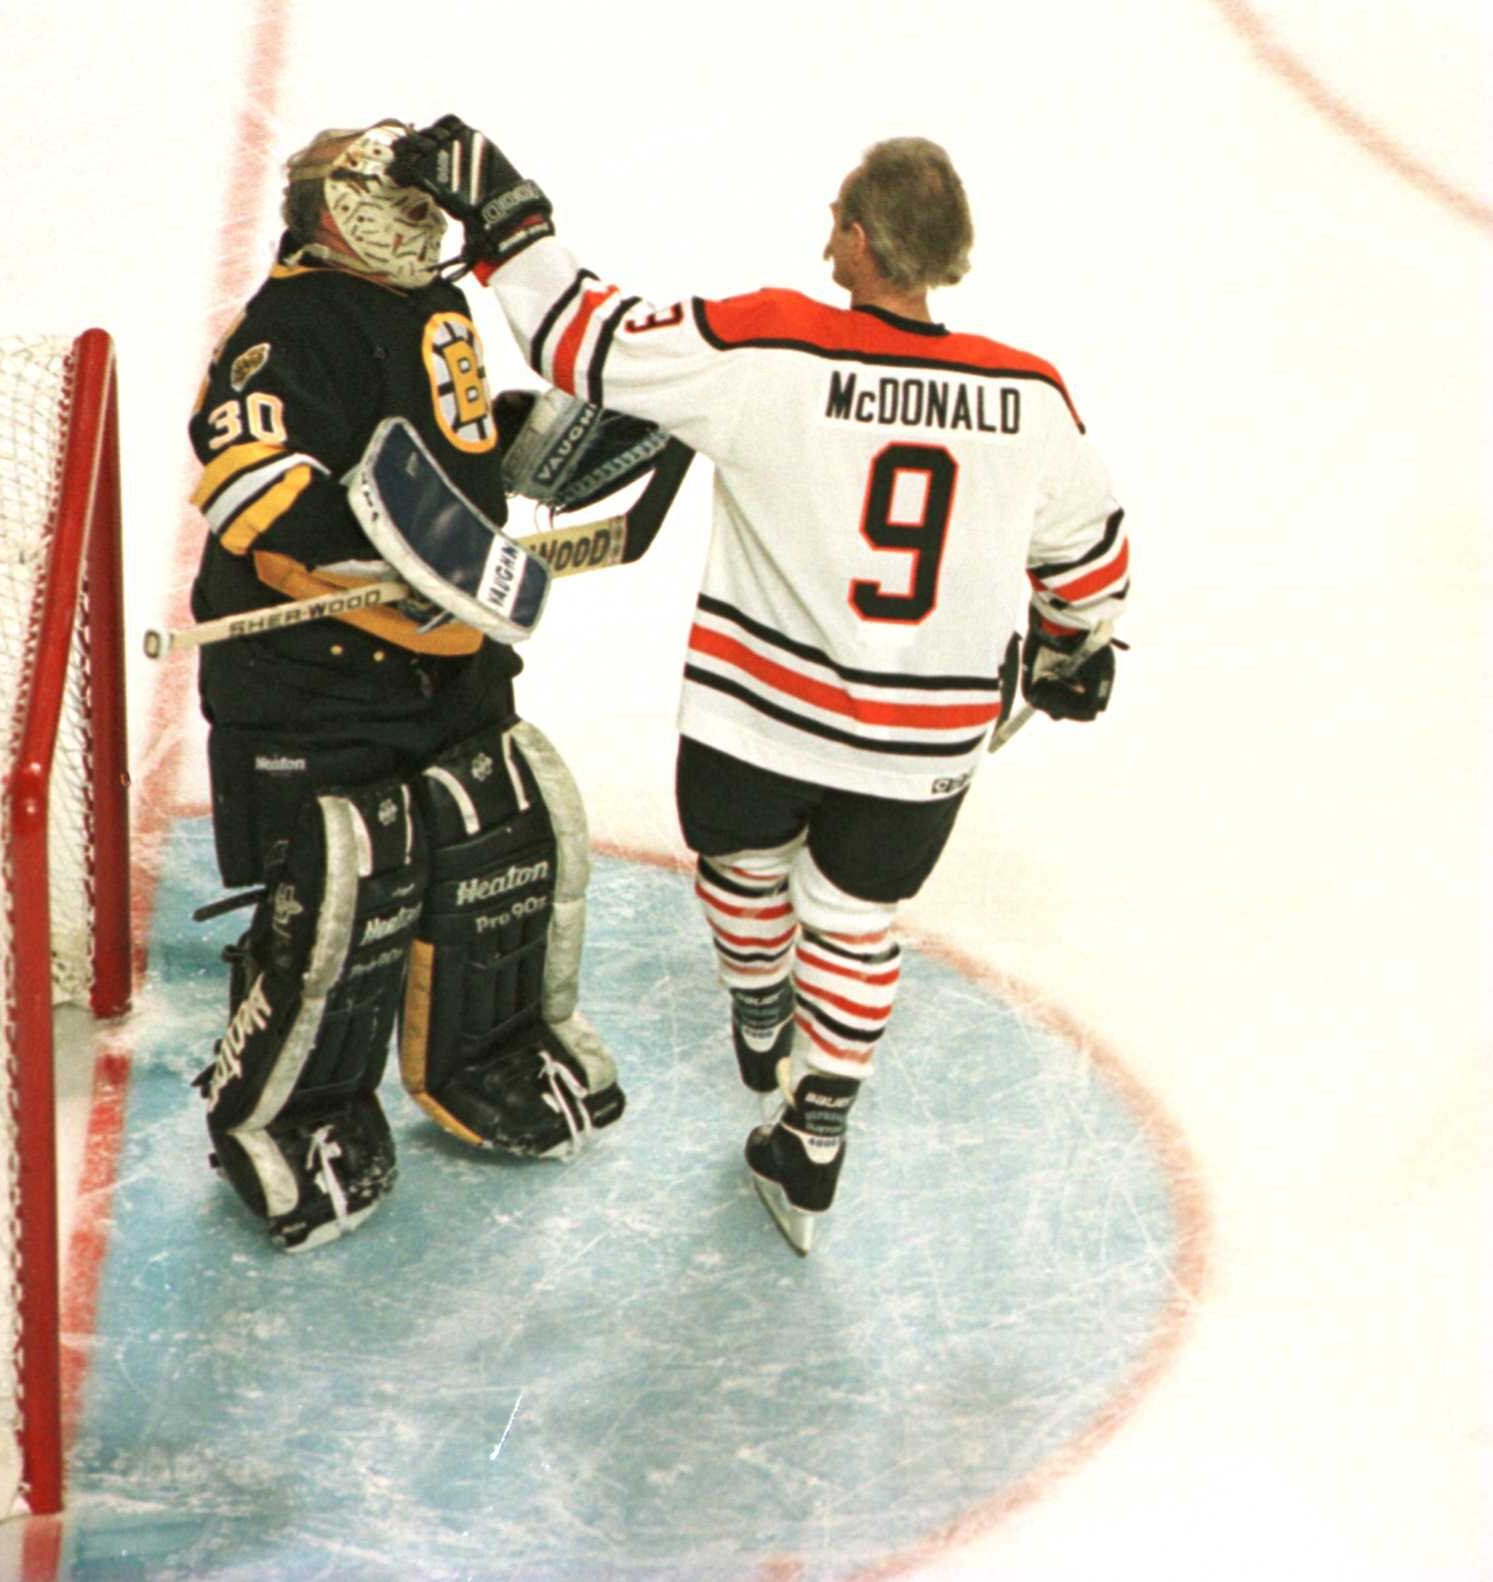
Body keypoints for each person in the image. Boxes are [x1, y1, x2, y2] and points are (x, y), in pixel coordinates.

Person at [394, 120, 1132, 1254]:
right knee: (856, 917)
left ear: (858, 241)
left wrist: (507, 220)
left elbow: (579, 337)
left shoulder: (769, 350)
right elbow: (1087, 559)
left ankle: (754, 1003)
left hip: (756, 722)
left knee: (742, 867)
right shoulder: (1029, 396)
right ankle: (816, 1121)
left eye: (836, 220)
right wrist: (1074, 647)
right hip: (920, 746)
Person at [184, 120, 679, 1252]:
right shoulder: (286, 327)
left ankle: (486, 1052)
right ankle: (286, 1112)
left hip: (444, 665)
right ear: (338, 210)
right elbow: (252, 495)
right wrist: (392, 585)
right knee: (354, 886)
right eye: (400, 204)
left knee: (503, 832)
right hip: (320, 680)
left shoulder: (429, 304)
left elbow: (434, 452)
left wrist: (533, 443)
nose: (427, 226)